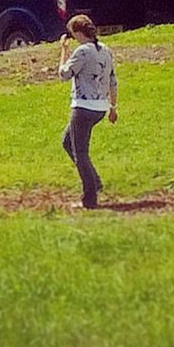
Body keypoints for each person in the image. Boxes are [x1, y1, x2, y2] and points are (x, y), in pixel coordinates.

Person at [58, 11, 118, 210]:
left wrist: (63, 52)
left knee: (80, 151)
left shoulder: (82, 51)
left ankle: (90, 198)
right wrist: (113, 107)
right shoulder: (105, 50)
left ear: (77, 32)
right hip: (100, 108)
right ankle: (95, 181)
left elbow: (64, 74)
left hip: (83, 107)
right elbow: (113, 80)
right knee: (68, 141)